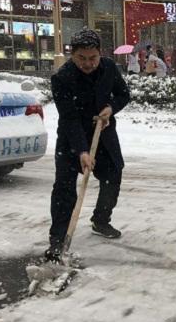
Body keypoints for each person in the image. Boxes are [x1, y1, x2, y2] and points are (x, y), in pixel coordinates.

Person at [45, 29, 130, 261]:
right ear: (73, 55)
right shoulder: (62, 78)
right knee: (64, 188)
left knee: (113, 174)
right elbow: (69, 117)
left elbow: (123, 94)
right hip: (72, 139)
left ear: (100, 54)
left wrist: (110, 108)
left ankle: (101, 220)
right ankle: (58, 239)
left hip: (104, 135)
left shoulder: (109, 68)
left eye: (92, 58)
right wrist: (82, 151)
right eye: (82, 58)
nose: (88, 63)